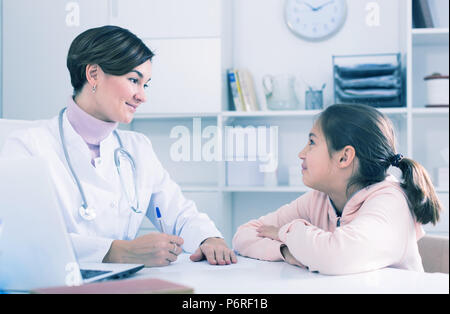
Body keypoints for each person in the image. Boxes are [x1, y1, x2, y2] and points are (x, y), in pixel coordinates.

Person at [1, 25, 236, 267]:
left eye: (146, 85)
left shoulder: (137, 149)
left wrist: (209, 238)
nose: (142, 96)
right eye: (134, 80)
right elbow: (25, 238)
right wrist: (118, 252)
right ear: (93, 74)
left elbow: (178, 213)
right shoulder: (28, 146)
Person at [232, 104, 442, 275]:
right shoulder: (320, 199)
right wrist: (285, 250)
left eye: (312, 143)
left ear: (344, 157)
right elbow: (244, 234)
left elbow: (336, 256)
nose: (301, 153)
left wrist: (284, 233)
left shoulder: (390, 203)